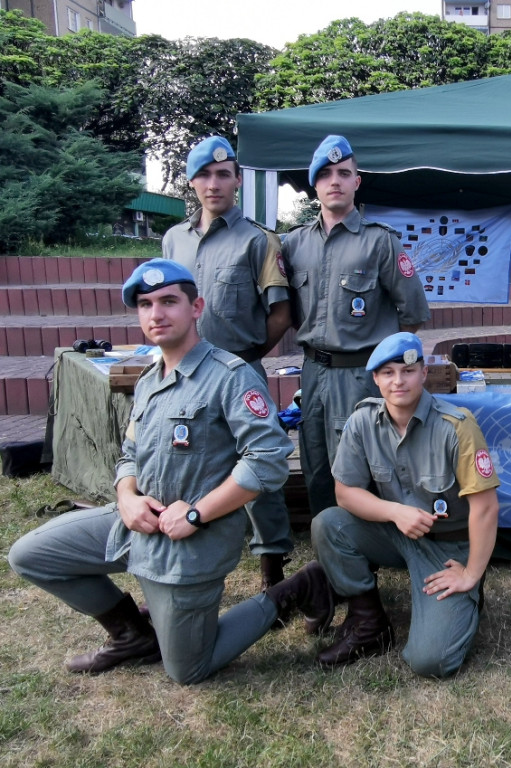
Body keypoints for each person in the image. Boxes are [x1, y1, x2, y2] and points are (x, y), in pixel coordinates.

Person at [7, 260, 335, 684]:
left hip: (192, 541)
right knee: (31, 555)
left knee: (187, 670)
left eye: (168, 302)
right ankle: (132, 635)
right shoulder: (147, 381)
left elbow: (268, 459)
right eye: (145, 305)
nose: (156, 314)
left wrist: (197, 513)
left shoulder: (229, 377)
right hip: (137, 525)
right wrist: (126, 497)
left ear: (196, 307)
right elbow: (129, 453)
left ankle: (296, 590)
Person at [310, 332, 500, 677]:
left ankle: (468, 594)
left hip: (447, 548)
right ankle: (368, 623)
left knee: (432, 661)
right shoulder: (362, 422)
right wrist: (394, 512)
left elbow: (485, 507)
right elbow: (345, 493)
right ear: (375, 379)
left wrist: (471, 572)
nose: (398, 381)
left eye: (407, 370)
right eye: (387, 373)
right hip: (397, 535)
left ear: (423, 373)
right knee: (329, 523)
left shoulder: (456, 426)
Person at [162, 135, 294, 588]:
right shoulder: (173, 240)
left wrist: (250, 356)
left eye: (223, 174)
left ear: (237, 180)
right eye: (204, 174)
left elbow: (281, 312)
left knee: (260, 468)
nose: (213, 183)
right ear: (191, 181)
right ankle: (187, 550)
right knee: (186, 458)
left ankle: (272, 572)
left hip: (240, 372)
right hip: (185, 374)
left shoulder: (258, 240)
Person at [283, 135, 431, 518]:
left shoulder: (380, 242)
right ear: (314, 184)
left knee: (361, 468)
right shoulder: (294, 244)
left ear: (356, 182)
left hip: (360, 375)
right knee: (316, 464)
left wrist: (383, 367)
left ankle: (362, 556)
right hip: (313, 372)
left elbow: (411, 312)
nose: (335, 181)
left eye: (344, 173)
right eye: (326, 174)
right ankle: (326, 552)